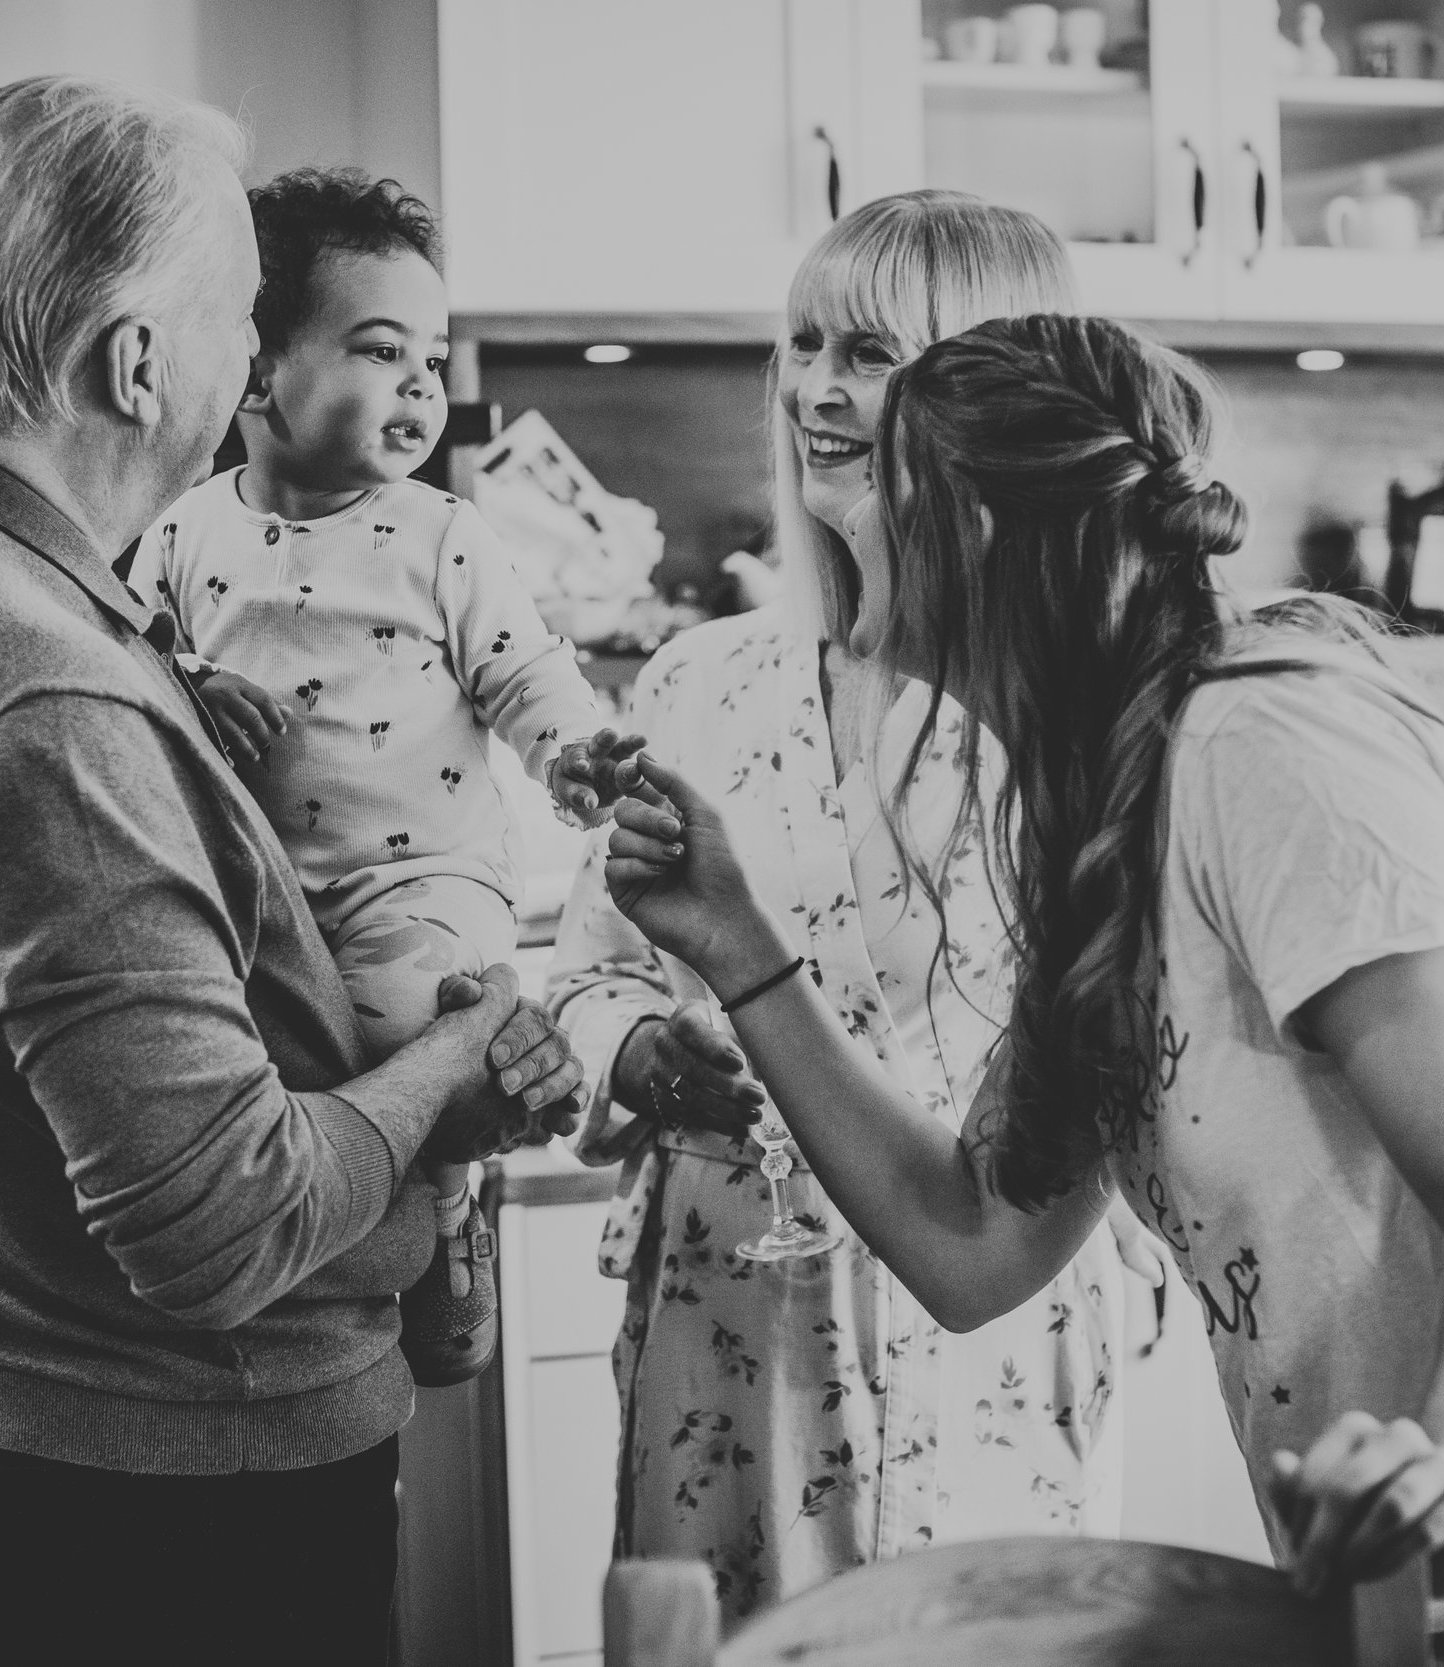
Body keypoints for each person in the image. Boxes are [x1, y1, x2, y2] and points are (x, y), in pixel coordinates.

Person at [602, 313, 1444, 1663]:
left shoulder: (1265, 739)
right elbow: (971, 1240)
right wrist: (738, 946)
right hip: (1434, 1594)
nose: (844, 507)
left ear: (981, 534)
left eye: (883, 477)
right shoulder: (1108, 820)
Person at [0, 79, 582, 1664]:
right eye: (241, 321)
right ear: (140, 361)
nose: (250, 363)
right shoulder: (38, 682)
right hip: (185, 1515)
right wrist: (447, 1067)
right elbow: (219, 1225)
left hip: (4, 1438)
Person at [544, 191, 1151, 1623]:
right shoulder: (703, 679)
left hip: (988, 1315)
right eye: (802, 344)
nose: (817, 389)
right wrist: (638, 1050)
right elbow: (588, 970)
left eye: (869, 353)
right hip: (730, 1311)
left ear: (990, 396)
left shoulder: (1080, 718)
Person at [128, 167, 638, 1385]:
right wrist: (188, 685)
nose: (419, 384)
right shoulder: (182, 534)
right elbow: (125, 669)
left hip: (426, 883)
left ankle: (453, 1205)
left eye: (431, 356)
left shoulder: (442, 536)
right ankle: (335, 1262)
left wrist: (575, 757)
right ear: (256, 372)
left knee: (419, 1029)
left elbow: (530, 679)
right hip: (263, 898)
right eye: (378, 350)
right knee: (266, 1084)